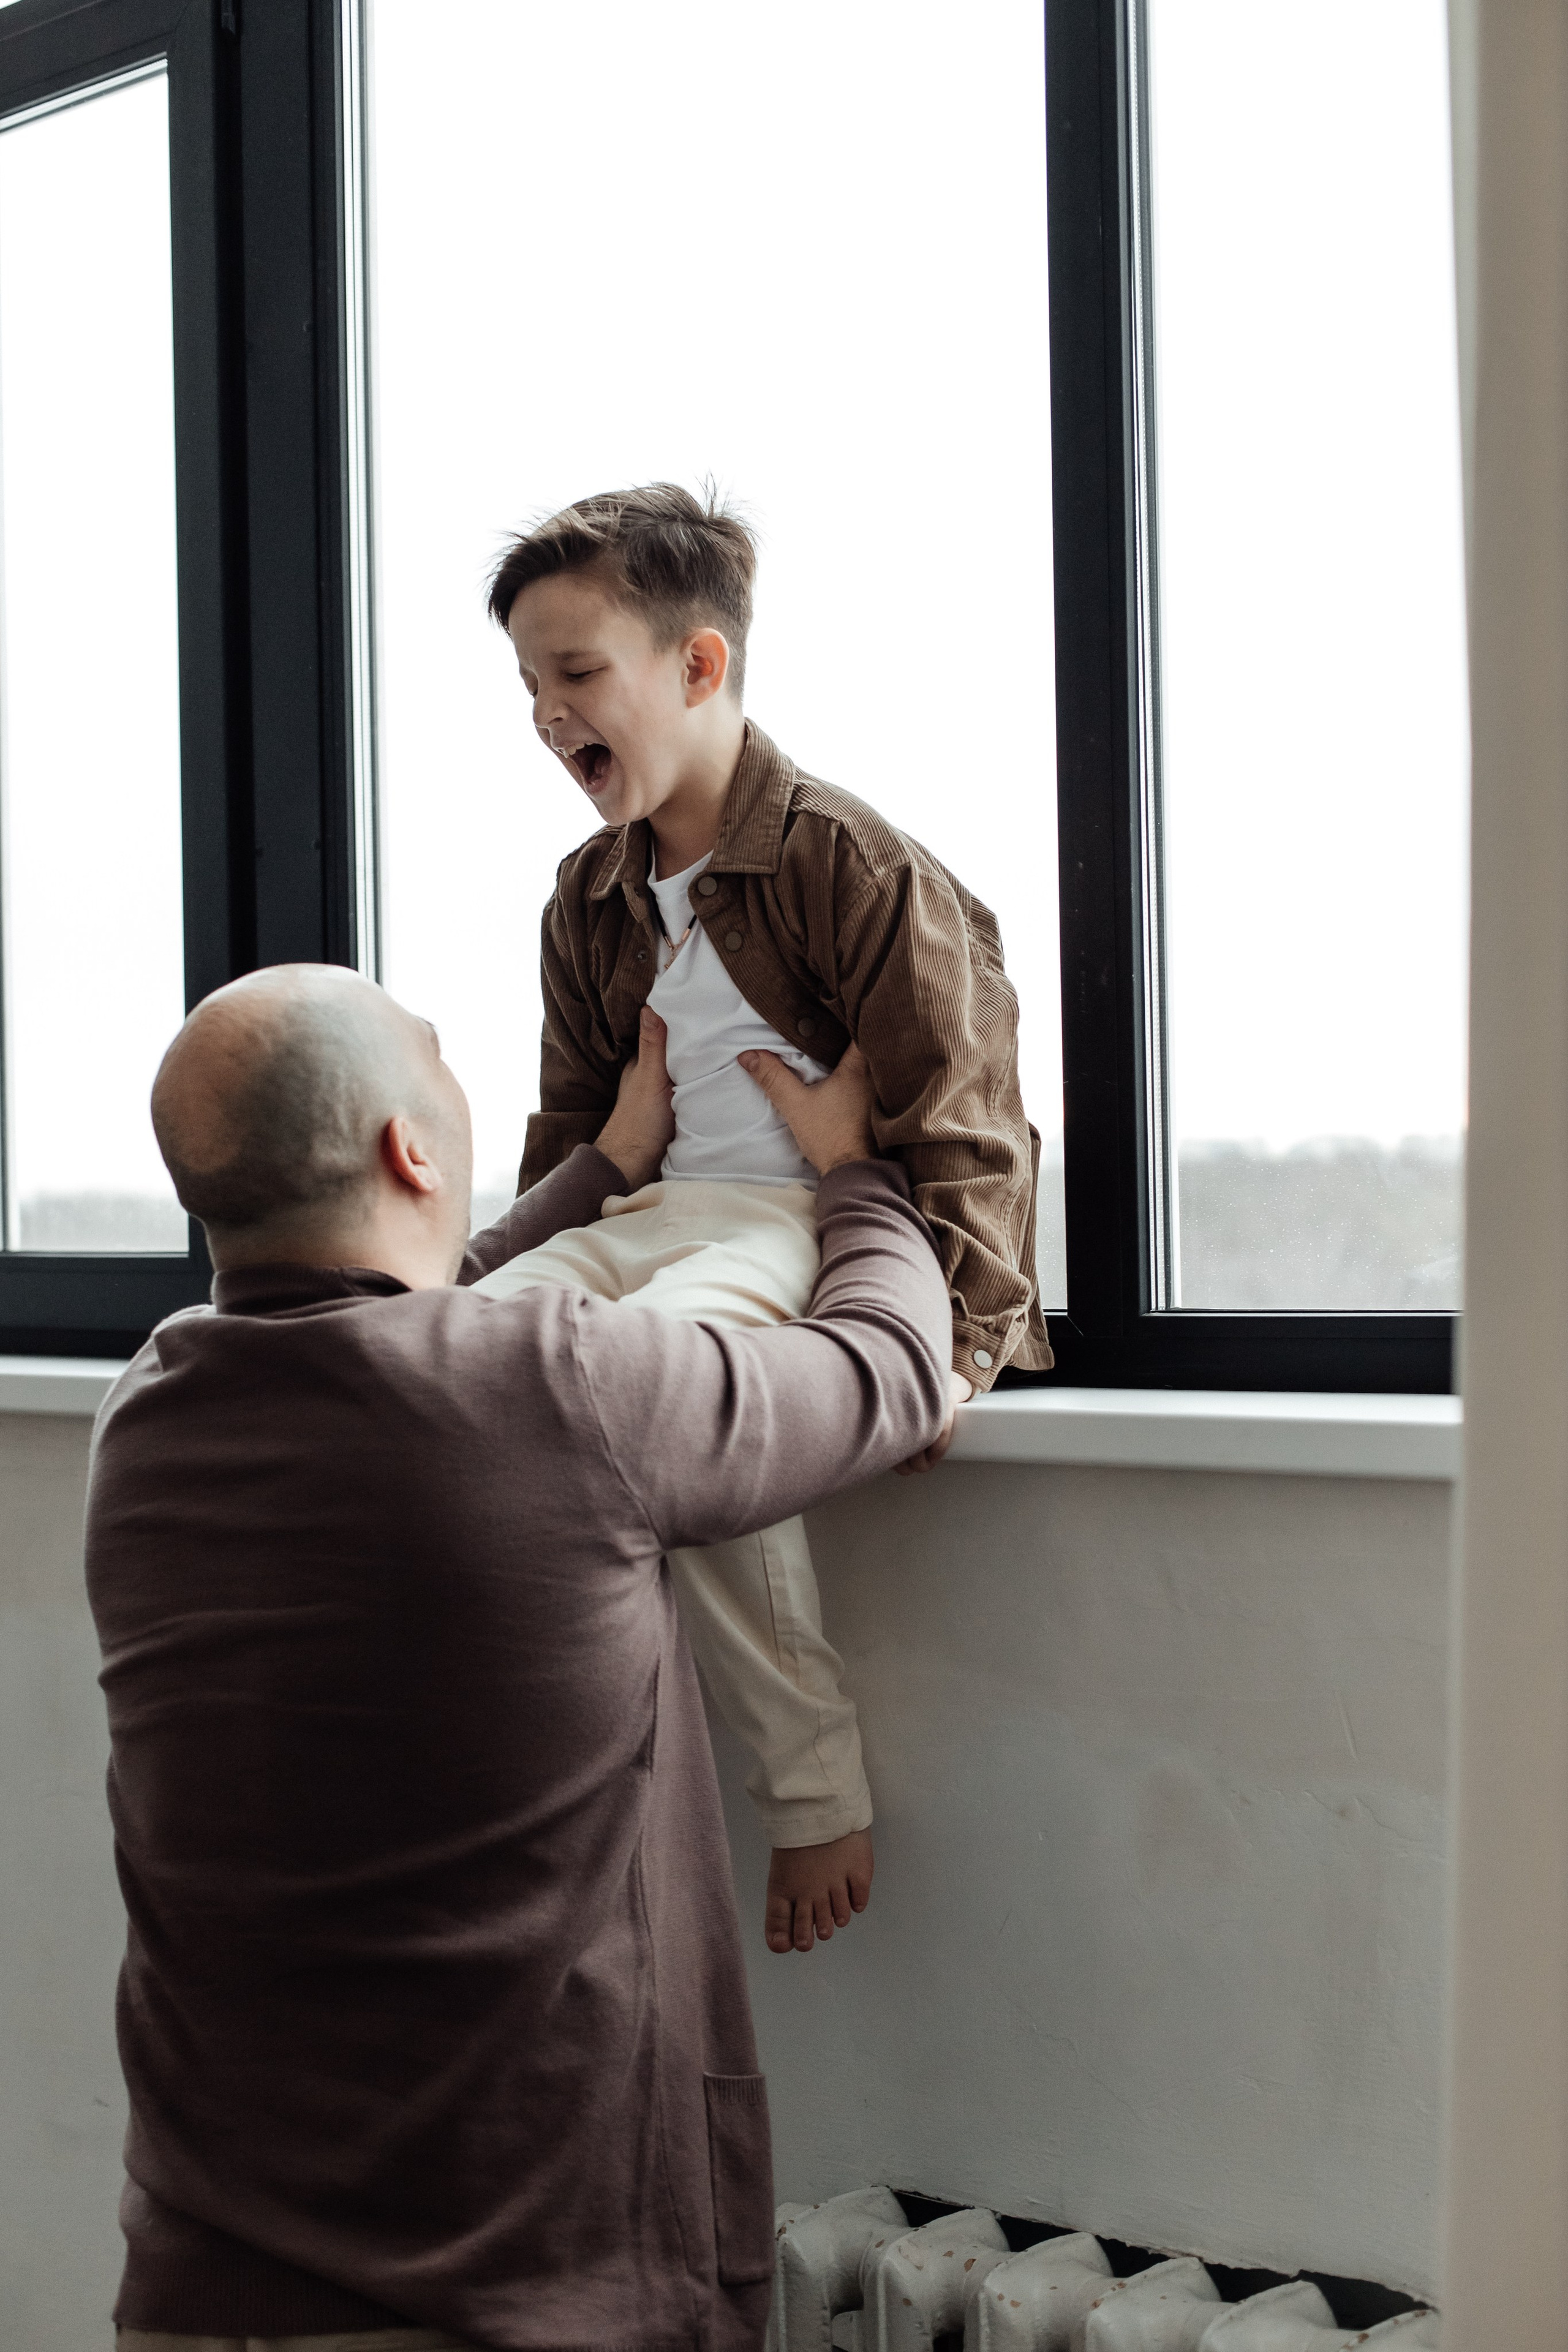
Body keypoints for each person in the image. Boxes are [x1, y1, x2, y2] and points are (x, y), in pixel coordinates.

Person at [86, 962, 951, 2352]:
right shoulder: (561, 1390)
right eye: (432, 1053)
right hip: (538, 2295)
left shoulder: (149, 1413)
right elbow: (888, 1372)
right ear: (407, 1148)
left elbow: (401, 1318)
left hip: (211, 2292)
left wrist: (603, 1169)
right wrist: (853, 1174)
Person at [477, 483, 1051, 1954]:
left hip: (786, 1224)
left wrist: (956, 1355)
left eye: (575, 673)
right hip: (650, 1204)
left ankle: (811, 1789)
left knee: (671, 1392)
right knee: (445, 1357)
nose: (546, 714)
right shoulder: (586, 897)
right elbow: (572, 1127)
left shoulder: (850, 866)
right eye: (529, 684)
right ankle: (506, 1759)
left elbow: (967, 1117)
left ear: (699, 664)